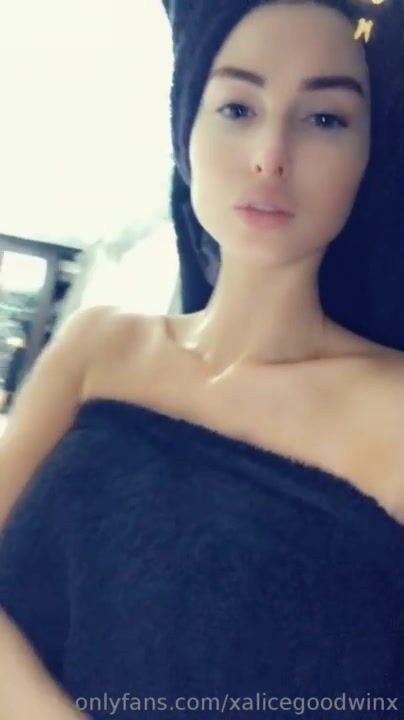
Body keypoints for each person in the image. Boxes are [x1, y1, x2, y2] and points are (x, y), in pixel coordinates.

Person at [0, 0, 403, 718]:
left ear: (368, 157)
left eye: (325, 118)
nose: (270, 154)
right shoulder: (100, 345)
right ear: (187, 131)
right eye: (237, 108)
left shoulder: (393, 412)